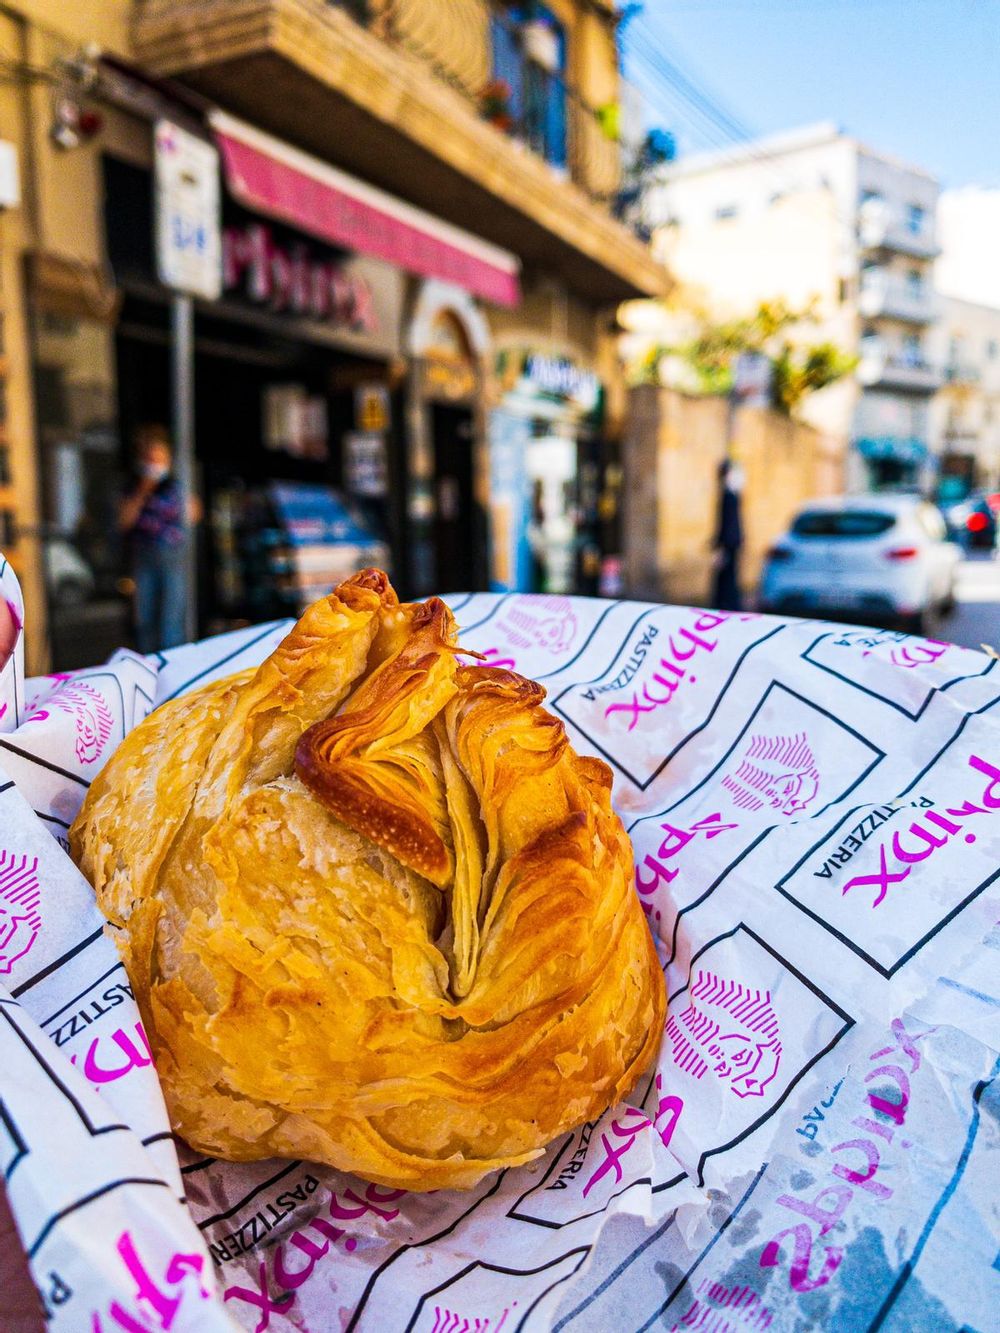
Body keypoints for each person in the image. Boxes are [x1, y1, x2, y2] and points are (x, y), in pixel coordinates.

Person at [119, 426, 199, 654]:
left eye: (160, 459)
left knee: (171, 618)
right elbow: (124, 522)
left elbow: (193, 514)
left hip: (173, 555)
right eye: (151, 459)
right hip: (144, 555)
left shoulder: (175, 487)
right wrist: (143, 491)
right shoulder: (132, 488)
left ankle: (173, 662)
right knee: (145, 617)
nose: (155, 464)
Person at [711, 458, 744, 611]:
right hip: (733, 541)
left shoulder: (727, 494)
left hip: (728, 542)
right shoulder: (733, 493)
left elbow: (725, 521)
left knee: (726, 576)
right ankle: (730, 603)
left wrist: (719, 543)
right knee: (729, 576)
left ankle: (727, 604)